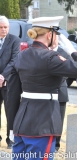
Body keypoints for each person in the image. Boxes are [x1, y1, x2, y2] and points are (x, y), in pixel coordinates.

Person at [6, 16, 77, 159]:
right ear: (49, 34)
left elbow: (12, 94)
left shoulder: (22, 55)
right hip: (43, 123)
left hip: (21, 123)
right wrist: (72, 51)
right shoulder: (51, 58)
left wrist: (12, 125)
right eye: (56, 34)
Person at [0, 15, 21, 148]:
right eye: (0, 27)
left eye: (5, 27)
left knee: (11, 111)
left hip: (9, 83)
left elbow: (14, 60)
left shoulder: (14, 40)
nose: (3, 30)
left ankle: (11, 139)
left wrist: (2, 76)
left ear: (9, 27)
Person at [49, 35, 70, 151]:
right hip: (46, 92)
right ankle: (49, 141)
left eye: (55, 38)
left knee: (59, 119)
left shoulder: (64, 53)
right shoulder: (44, 52)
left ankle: (56, 144)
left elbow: (67, 71)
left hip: (60, 91)